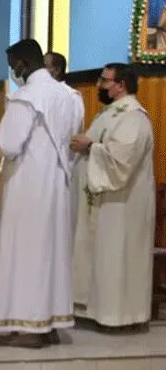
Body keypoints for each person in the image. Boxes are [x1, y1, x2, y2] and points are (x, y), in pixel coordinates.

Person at [0, 38, 84, 348]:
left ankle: (29, 326)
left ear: (23, 63)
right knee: (51, 253)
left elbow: (9, 144)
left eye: (13, 65)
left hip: (27, 186)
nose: (13, 71)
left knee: (26, 253)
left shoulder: (26, 97)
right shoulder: (70, 96)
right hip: (56, 183)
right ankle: (50, 322)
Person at [70, 63, 155, 332]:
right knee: (102, 256)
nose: (99, 85)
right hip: (104, 202)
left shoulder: (133, 117)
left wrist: (90, 146)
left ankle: (119, 317)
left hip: (122, 205)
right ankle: (94, 310)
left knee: (117, 256)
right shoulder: (111, 113)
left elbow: (122, 160)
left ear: (121, 85)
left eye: (105, 81)